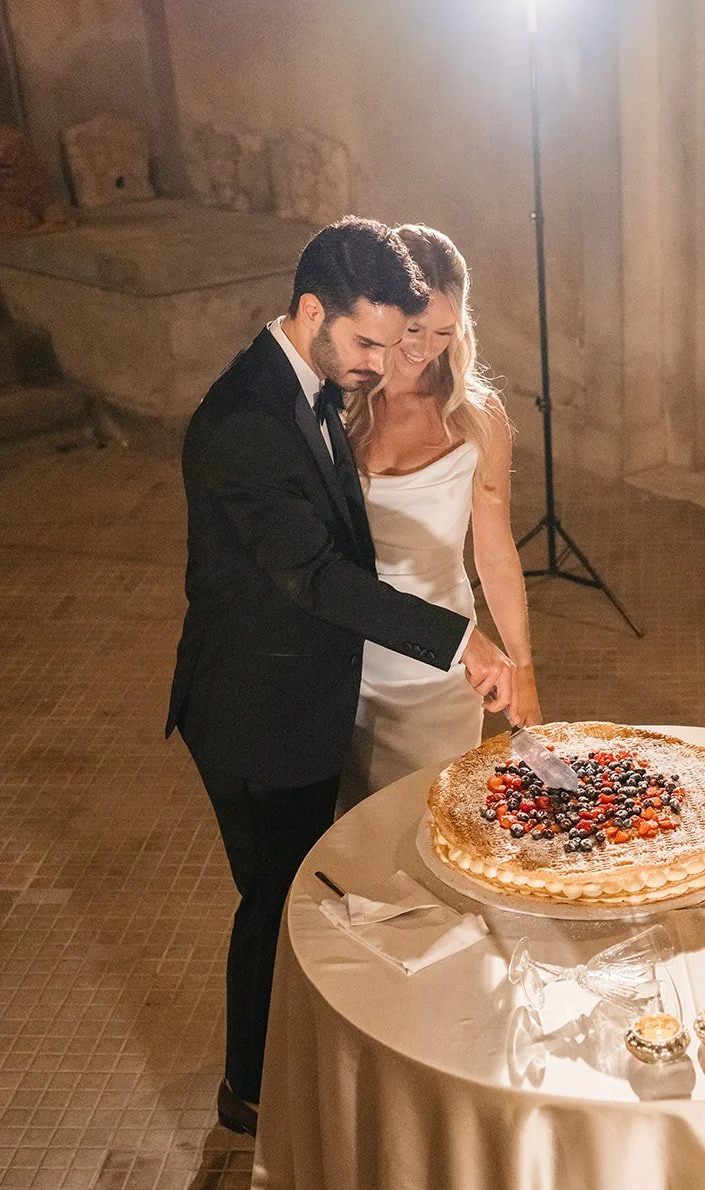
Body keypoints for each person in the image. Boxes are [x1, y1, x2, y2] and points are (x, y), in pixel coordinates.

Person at [165, 217, 517, 1138]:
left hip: (317, 685)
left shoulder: (312, 384)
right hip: (255, 705)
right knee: (277, 901)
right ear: (311, 310)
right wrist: (461, 642)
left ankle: (333, 1054)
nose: (381, 360)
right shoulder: (243, 421)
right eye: (367, 340)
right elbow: (315, 576)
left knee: (328, 882)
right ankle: (251, 1095)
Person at [338, 224, 540, 808]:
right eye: (412, 328)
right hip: (348, 667)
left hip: (442, 671)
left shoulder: (478, 417)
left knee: (436, 836)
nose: (425, 349)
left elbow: (495, 551)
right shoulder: (341, 401)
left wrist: (522, 670)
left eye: (444, 332)